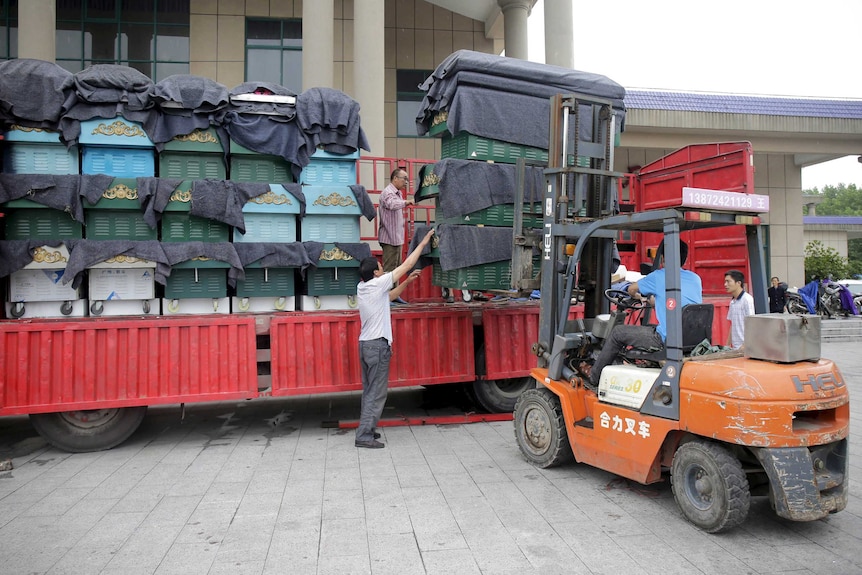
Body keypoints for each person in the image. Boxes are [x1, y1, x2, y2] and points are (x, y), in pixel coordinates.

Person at [355, 228, 435, 449]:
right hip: (377, 346)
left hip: (365, 345)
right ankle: (363, 436)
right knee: (377, 393)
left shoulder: (363, 287)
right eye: (380, 267)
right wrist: (424, 241)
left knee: (369, 391)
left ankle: (367, 429)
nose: (383, 268)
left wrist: (408, 283)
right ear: (376, 274)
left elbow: (390, 296)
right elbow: (407, 264)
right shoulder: (376, 283)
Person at [589, 240, 702, 388]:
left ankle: (594, 378)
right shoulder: (695, 278)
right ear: (685, 259)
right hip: (690, 339)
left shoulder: (659, 276)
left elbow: (631, 289)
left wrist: (639, 297)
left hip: (665, 340)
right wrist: (655, 301)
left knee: (617, 333)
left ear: (662, 258)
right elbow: (678, 301)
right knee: (649, 326)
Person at [378, 168, 415, 303]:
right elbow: (392, 204)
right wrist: (406, 202)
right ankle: (385, 298)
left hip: (396, 238)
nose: (406, 181)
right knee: (388, 269)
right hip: (389, 237)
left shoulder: (397, 193)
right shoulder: (387, 193)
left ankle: (394, 295)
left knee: (396, 267)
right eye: (404, 178)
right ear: (395, 178)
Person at [725, 269, 755, 349]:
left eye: (728, 281)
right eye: (725, 282)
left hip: (745, 348)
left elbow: (752, 324)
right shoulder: (732, 302)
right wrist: (727, 345)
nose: (725, 284)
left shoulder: (747, 300)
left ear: (738, 283)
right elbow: (732, 325)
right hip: (735, 348)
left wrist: (745, 345)